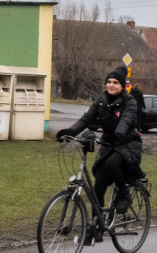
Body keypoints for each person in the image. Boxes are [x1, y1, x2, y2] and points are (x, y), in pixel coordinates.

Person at [57, 66, 143, 238]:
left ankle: (125, 195)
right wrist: (70, 132)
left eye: (115, 82)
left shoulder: (130, 101)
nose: (111, 85)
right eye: (109, 82)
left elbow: (126, 119)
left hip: (128, 144)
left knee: (112, 164)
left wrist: (118, 133)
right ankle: (97, 226)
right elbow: (86, 119)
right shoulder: (101, 100)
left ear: (122, 85)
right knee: (99, 186)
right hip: (109, 144)